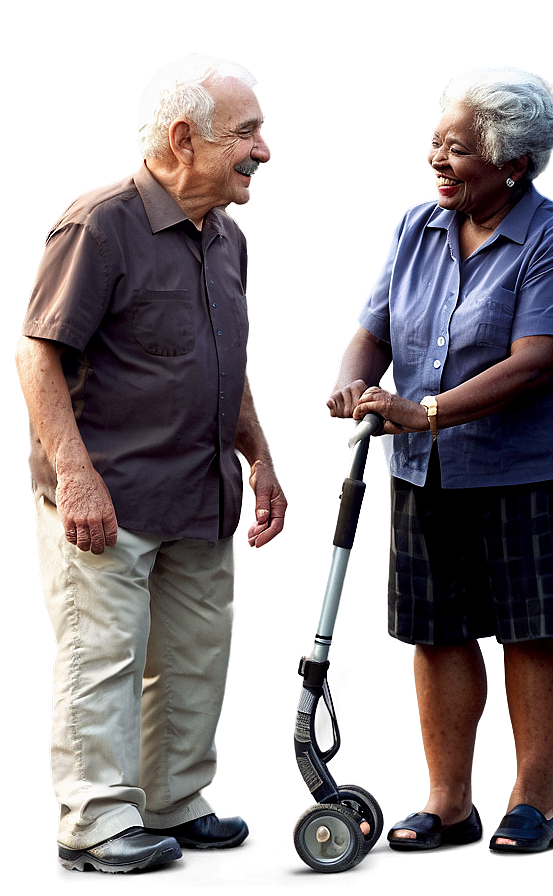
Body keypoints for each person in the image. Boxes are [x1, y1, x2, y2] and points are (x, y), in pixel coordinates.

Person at [15, 52, 287, 874]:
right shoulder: (99, 225)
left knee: (195, 656)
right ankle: (95, 820)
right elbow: (36, 358)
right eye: (247, 133)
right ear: (182, 138)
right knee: (102, 658)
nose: (265, 150)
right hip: (110, 497)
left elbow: (223, 361)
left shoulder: (228, 237)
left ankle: (174, 800)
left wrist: (260, 456)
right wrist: (76, 474)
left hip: (202, 493)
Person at [326, 65, 553, 854]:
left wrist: (426, 411)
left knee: (532, 630)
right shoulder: (417, 227)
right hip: (427, 470)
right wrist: (352, 385)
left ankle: (537, 804)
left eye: (456, 148)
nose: (436, 160)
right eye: (434, 144)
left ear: (513, 164)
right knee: (437, 630)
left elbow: (538, 358)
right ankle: (448, 803)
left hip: (535, 466)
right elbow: (372, 329)